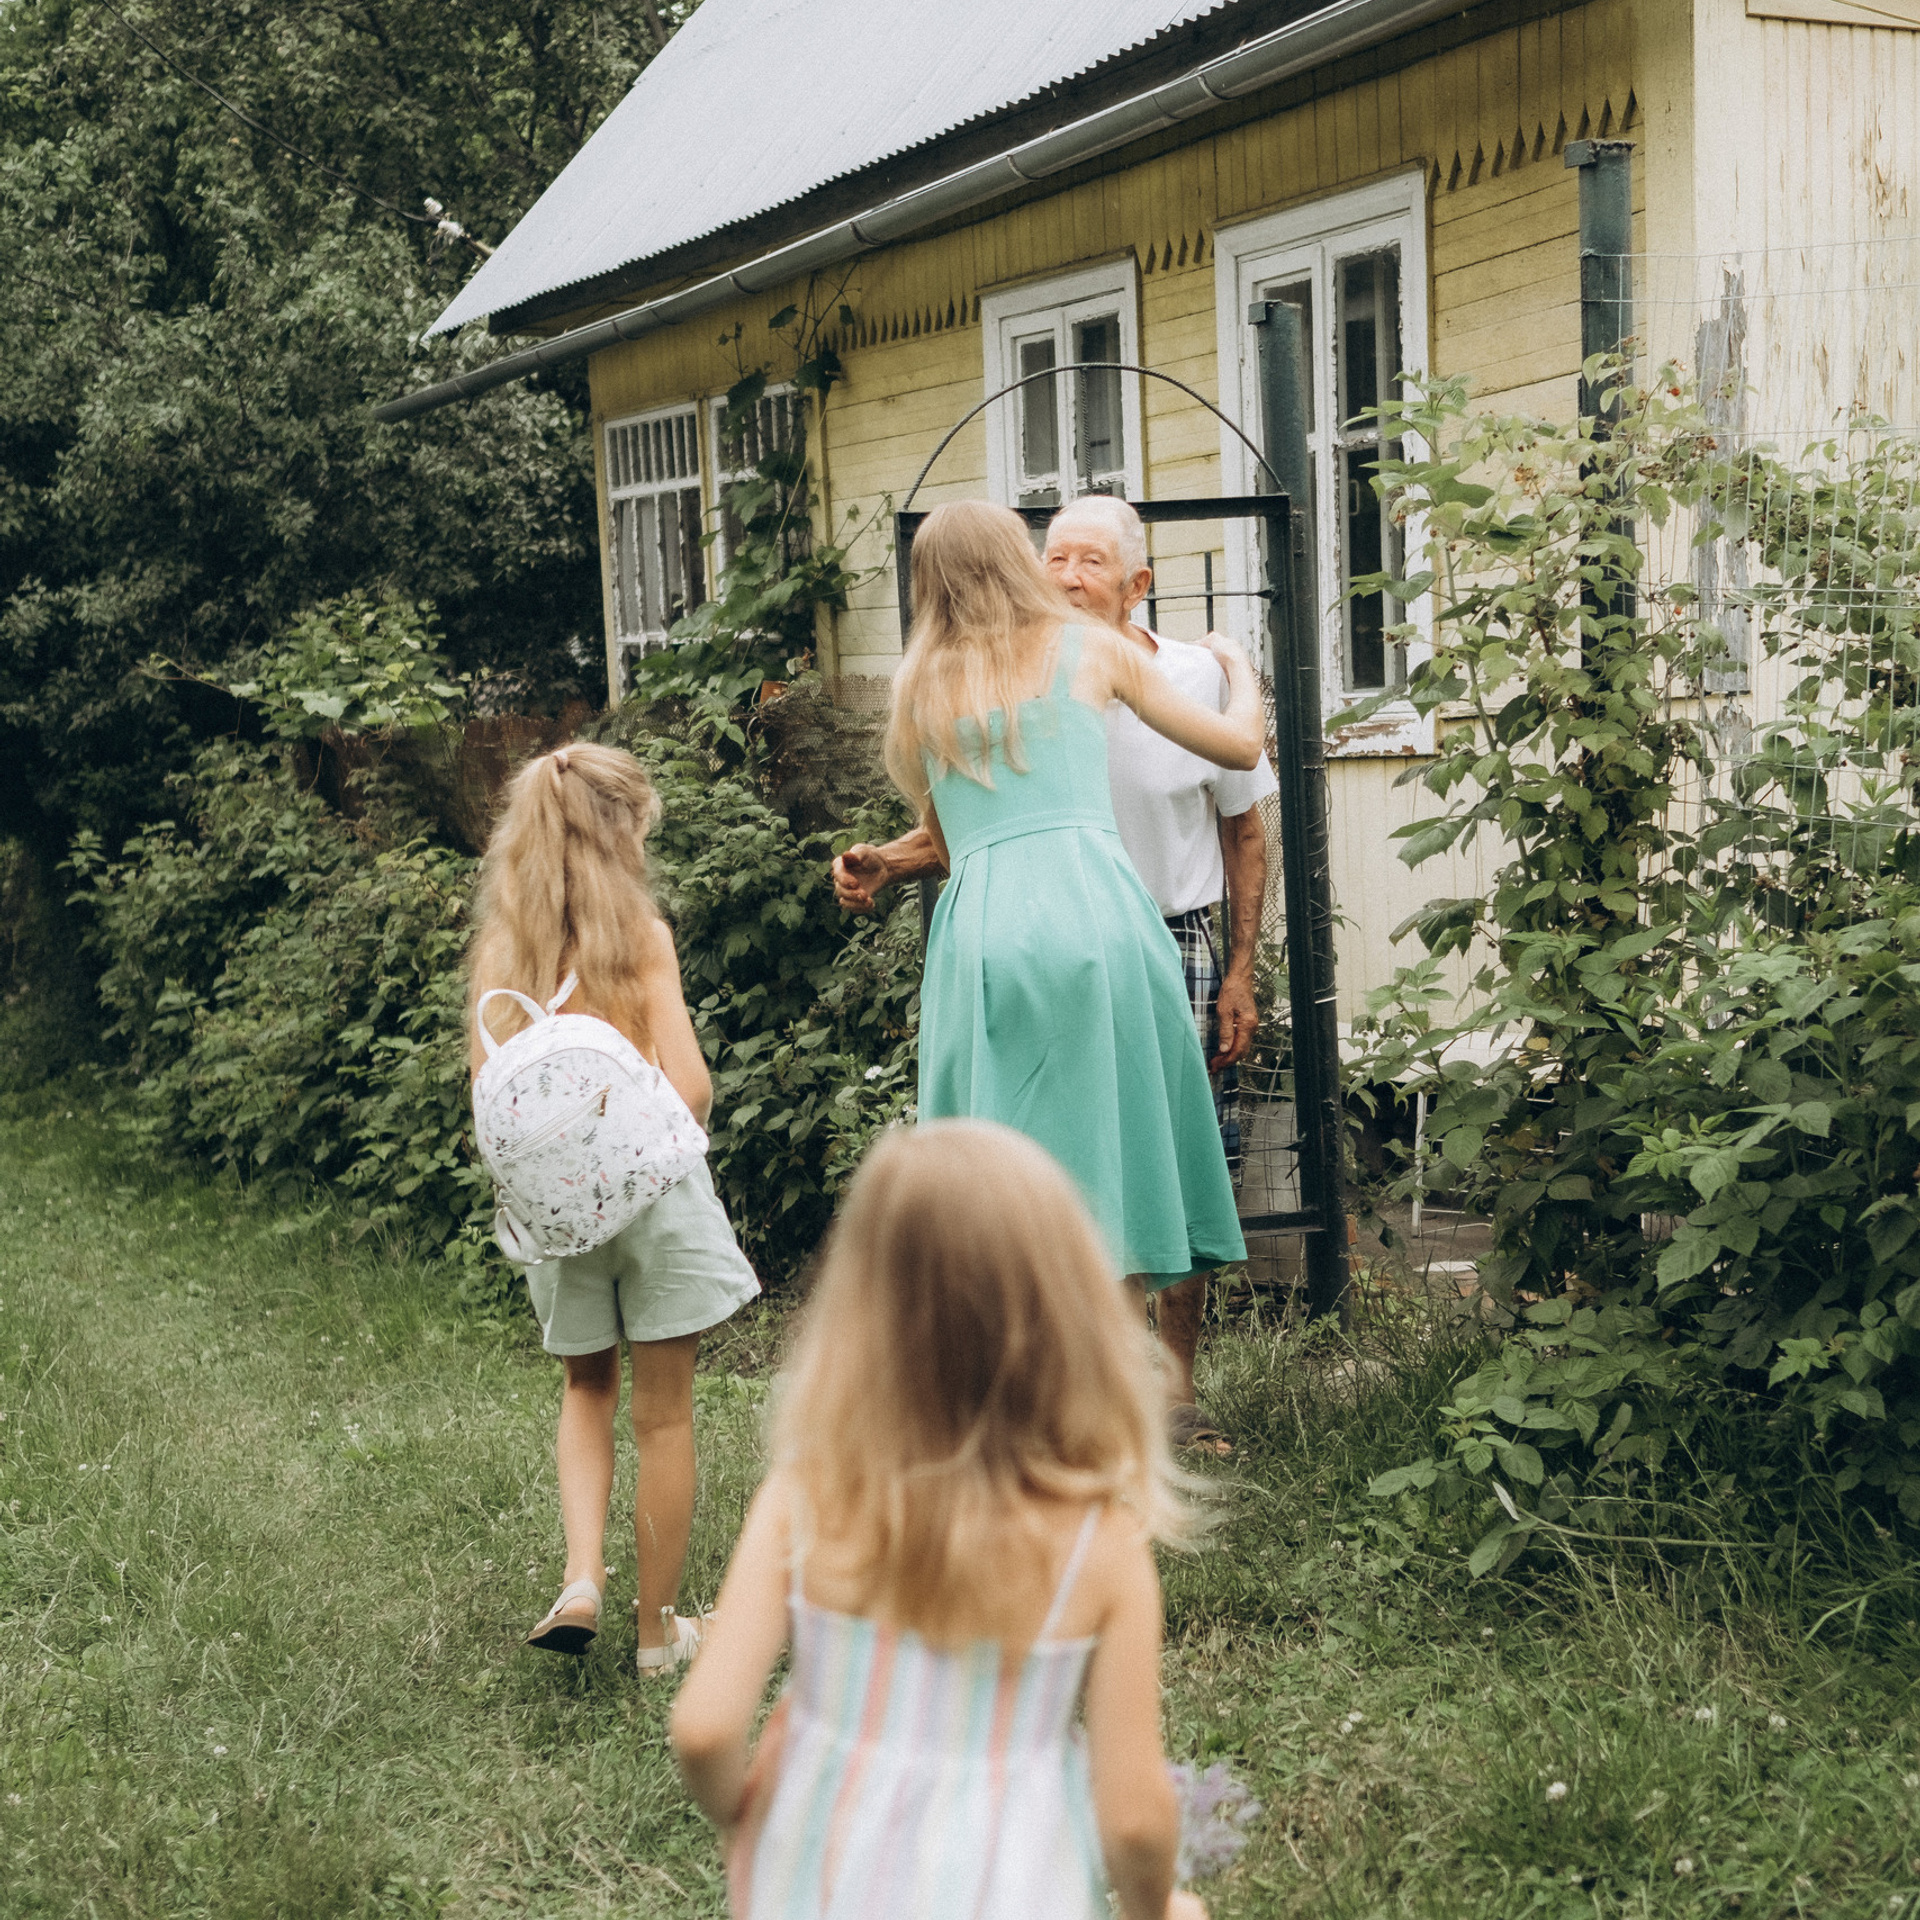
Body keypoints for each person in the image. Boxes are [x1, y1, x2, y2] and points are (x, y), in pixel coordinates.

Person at [669, 1121, 1209, 1920]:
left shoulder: (805, 1497)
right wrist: (1155, 1909)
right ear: (1068, 1316)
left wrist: (747, 1816)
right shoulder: (1103, 1548)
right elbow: (1133, 1817)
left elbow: (705, 1730)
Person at [834, 496, 1275, 1446]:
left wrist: (884, 857)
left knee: (992, 1170)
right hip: (1098, 919)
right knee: (1115, 1156)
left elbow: (956, 838)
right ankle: (1116, 1403)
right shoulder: (1092, 653)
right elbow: (1241, 748)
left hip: (986, 936)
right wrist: (1238, 668)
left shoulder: (917, 690)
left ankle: (1008, 1405)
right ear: (1020, 565)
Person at [468, 742, 759, 1674]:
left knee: (586, 1388)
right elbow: (694, 1090)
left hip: (558, 1220)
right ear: (623, 830)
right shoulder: (641, 941)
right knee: (664, 1416)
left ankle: (582, 1577)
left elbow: (494, 1107)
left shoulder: (501, 953)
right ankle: (656, 1630)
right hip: (657, 1204)